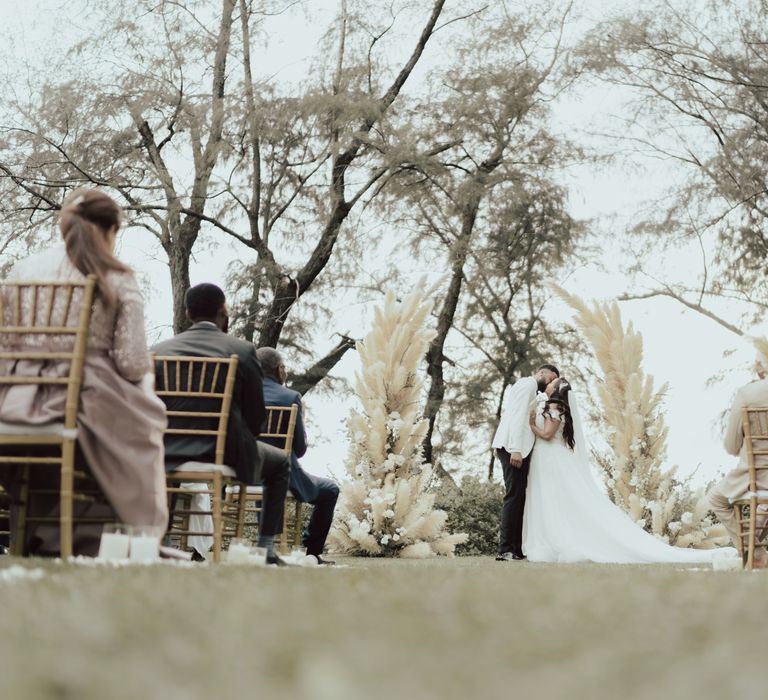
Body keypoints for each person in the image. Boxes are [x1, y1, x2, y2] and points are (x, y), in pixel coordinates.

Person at [0, 188, 168, 556]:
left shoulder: (22, 269)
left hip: (16, 396)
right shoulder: (116, 274)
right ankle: (124, 538)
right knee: (147, 426)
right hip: (85, 394)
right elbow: (131, 362)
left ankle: (41, 533)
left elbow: (6, 343)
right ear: (111, 231)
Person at [151, 283, 291, 565]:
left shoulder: (157, 350)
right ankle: (266, 548)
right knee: (281, 463)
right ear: (223, 311)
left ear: (188, 312)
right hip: (226, 451)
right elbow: (255, 420)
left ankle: (162, 543)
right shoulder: (241, 349)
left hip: (167, 451)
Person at [523, 377, 728, 564]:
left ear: (557, 389)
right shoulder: (553, 406)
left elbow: (548, 434)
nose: (548, 383)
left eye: (552, 382)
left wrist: (532, 425)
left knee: (553, 499)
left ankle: (557, 539)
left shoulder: (554, 406)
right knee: (553, 500)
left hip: (551, 459)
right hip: (550, 458)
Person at [256, 347, 339, 565]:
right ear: (279, 369)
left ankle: (265, 544)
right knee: (330, 490)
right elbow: (300, 450)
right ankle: (312, 553)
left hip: (246, 473)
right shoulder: (291, 397)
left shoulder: (241, 394)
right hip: (282, 474)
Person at [492, 364, 560, 561]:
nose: (551, 383)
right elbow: (517, 416)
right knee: (513, 496)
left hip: (520, 448)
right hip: (514, 448)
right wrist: (515, 448)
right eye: (551, 378)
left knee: (519, 497)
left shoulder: (530, 388)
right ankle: (505, 549)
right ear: (542, 373)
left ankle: (515, 548)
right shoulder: (527, 385)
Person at [707, 358, 768, 565]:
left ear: (761, 372)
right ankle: (755, 552)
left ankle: (754, 553)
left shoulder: (748, 393)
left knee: (716, 499)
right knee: (763, 508)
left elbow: (731, 446)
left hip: (757, 479)